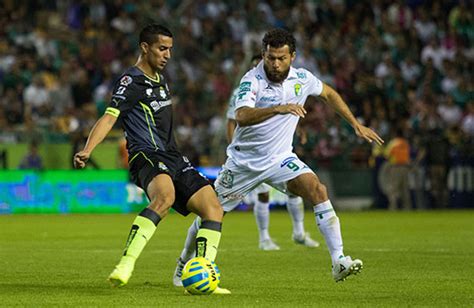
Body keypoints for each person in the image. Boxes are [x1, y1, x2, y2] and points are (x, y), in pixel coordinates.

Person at [174, 28, 384, 284]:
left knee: (317, 189)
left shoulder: (302, 79)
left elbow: (329, 93)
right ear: (263, 55)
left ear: (292, 56)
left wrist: (355, 124)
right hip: (244, 163)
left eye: (281, 58)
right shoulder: (252, 80)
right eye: (270, 57)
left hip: (281, 159)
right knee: (212, 213)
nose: (274, 63)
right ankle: (184, 261)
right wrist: (278, 108)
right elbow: (241, 116)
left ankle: (339, 260)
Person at [73, 24, 230, 294]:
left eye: (170, 49)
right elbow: (110, 116)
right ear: (144, 47)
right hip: (145, 154)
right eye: (162, 48)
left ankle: (202, 274)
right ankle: (125, 263)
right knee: (164, 197)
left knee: (213, 208)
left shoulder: (160, 78)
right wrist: (89, 149)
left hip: (173, 156)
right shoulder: (131, 80)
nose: (168, 54)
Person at [226, 55, 319, 251]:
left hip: (279, 154)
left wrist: (299, 130)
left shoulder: (281, 84)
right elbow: (232, 121)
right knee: (263, 196)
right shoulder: (243, 90)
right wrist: (232, 149)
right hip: (251, 156)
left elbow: (288, 113)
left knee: (297, 190)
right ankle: (264, 238)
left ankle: (299, 232)